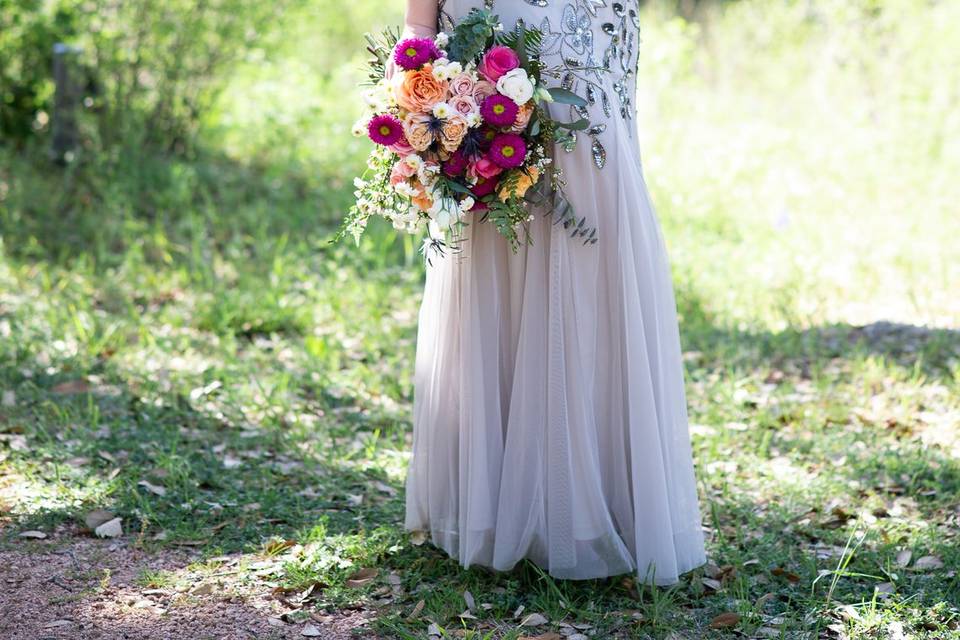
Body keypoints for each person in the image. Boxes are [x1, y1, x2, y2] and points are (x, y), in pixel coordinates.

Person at [403, 0, 706, 584]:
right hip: (474, 104)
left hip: (580, 89)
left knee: (585, 273)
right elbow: (419, 20)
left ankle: (599, 507)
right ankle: (493, 508)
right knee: (498, 268)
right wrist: (419, 90)